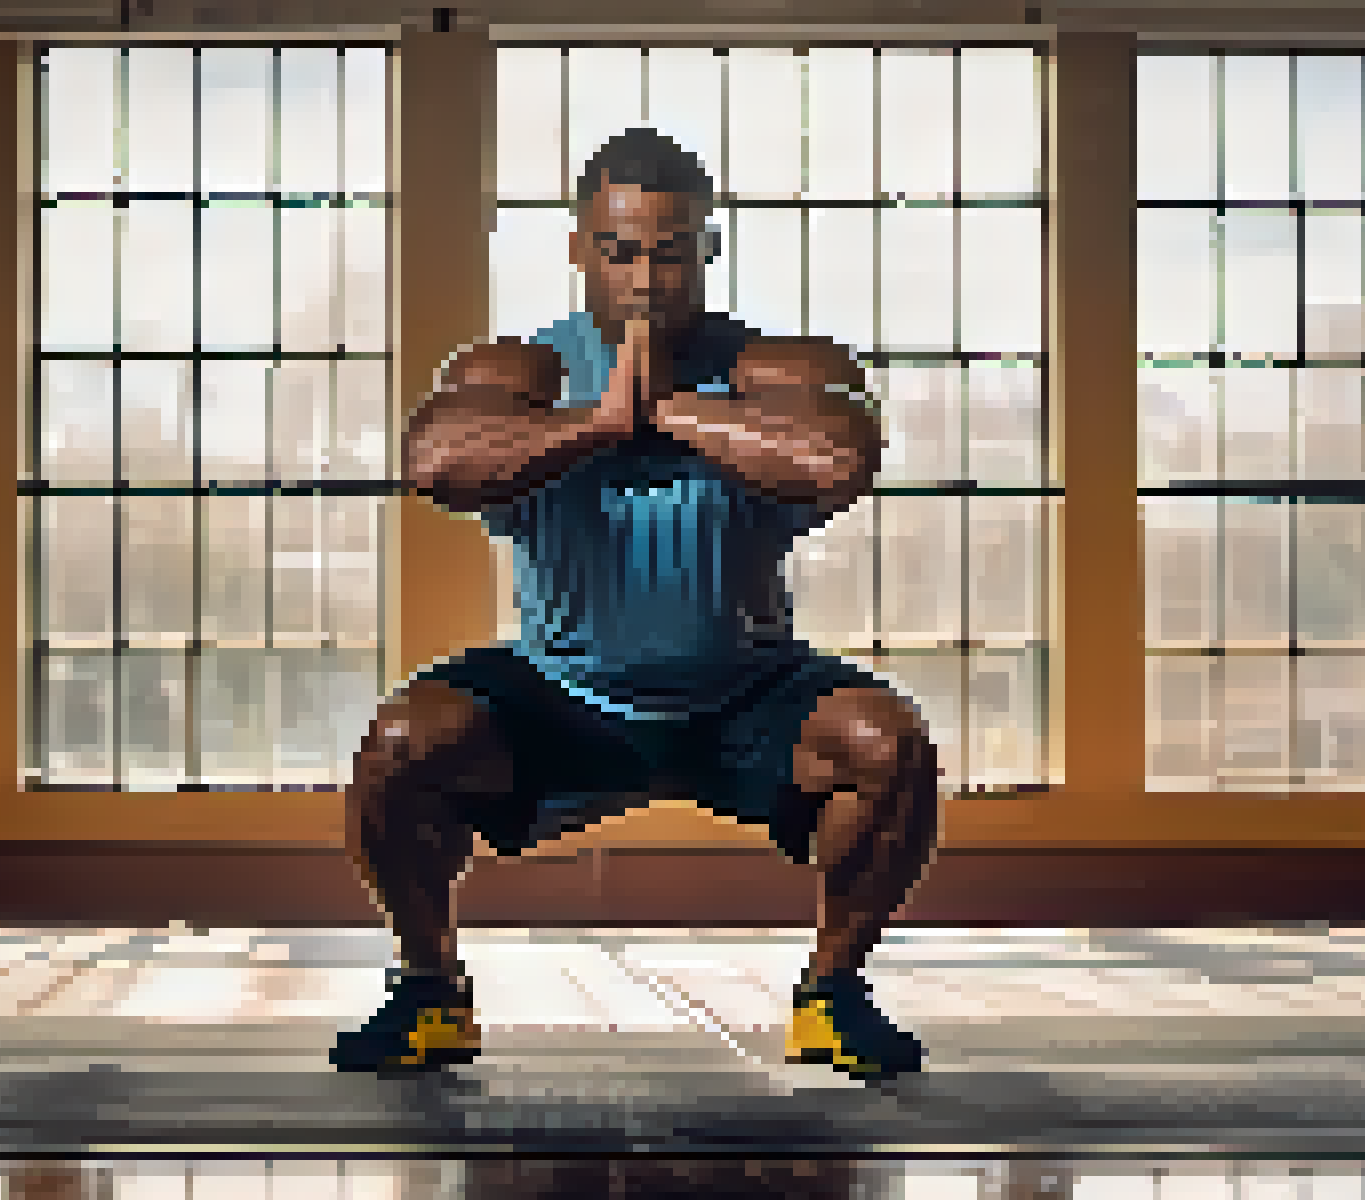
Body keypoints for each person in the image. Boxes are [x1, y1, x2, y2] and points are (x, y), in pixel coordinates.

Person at [333, 127, 944, 1081]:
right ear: (581, 249)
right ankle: (429, 993)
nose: (646, 277)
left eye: (668, 249)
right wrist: (596, 422)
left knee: (888, 745)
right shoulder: (522, 372)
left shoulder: (769, 367)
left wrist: (659, 413)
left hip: (746, 696)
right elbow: (435, 461)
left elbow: (837, 457)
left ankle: (831, 996)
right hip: (560, 696)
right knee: (402, 746)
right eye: (620, 252)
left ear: (705, 247)